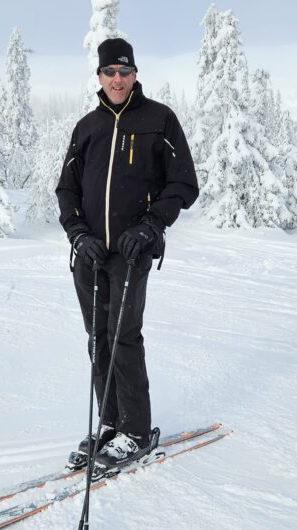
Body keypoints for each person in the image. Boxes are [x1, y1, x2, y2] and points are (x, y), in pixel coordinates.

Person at [56, 38, 198, 469]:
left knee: (124, 336)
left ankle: (136, 429)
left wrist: (151, 225)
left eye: (124, 71)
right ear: (99, 76)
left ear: (135, 74)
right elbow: (67, 190)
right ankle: (111, 423)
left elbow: (183, 184)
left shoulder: (160, 120)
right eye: (109, 72)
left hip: (131, 253)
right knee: (97, 337)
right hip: (91, 255)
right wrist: (78, 235)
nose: (117, 79)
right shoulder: (86, 127)